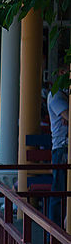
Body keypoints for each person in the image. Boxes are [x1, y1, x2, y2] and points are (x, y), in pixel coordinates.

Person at [46, 75, 69, 226]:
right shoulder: (56, 95)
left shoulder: (64, 94)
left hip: (64, 148)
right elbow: (68, 116)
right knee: (59, 192)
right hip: (62, 148)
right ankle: (53, 234)